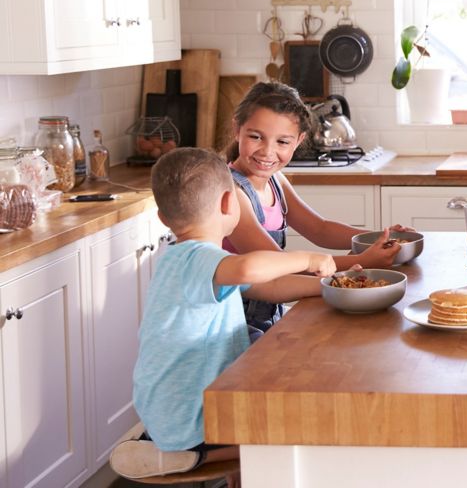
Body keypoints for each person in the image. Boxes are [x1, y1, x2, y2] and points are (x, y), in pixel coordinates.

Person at [110, 147, 340, 484]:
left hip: (168, 409)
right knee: (299, 429)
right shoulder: (199, 257)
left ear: (162, 218)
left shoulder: (182, 262)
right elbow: (249, 266)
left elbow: (271, 287)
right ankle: (184, 457)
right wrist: (307, 259)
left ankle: (221, 462)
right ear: (228, 204)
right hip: (189, 419)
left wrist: (329, 287)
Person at [222, 81, 407, 333]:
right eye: (256, 137)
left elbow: (319, 229)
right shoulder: (232, 192)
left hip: (269, 315)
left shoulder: (276, 180)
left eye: (282, 142)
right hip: (234, 325)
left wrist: (377, 238)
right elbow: (276, 263)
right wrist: (364, 260)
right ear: (237, 129)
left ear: (298, 141)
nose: (267, 151)